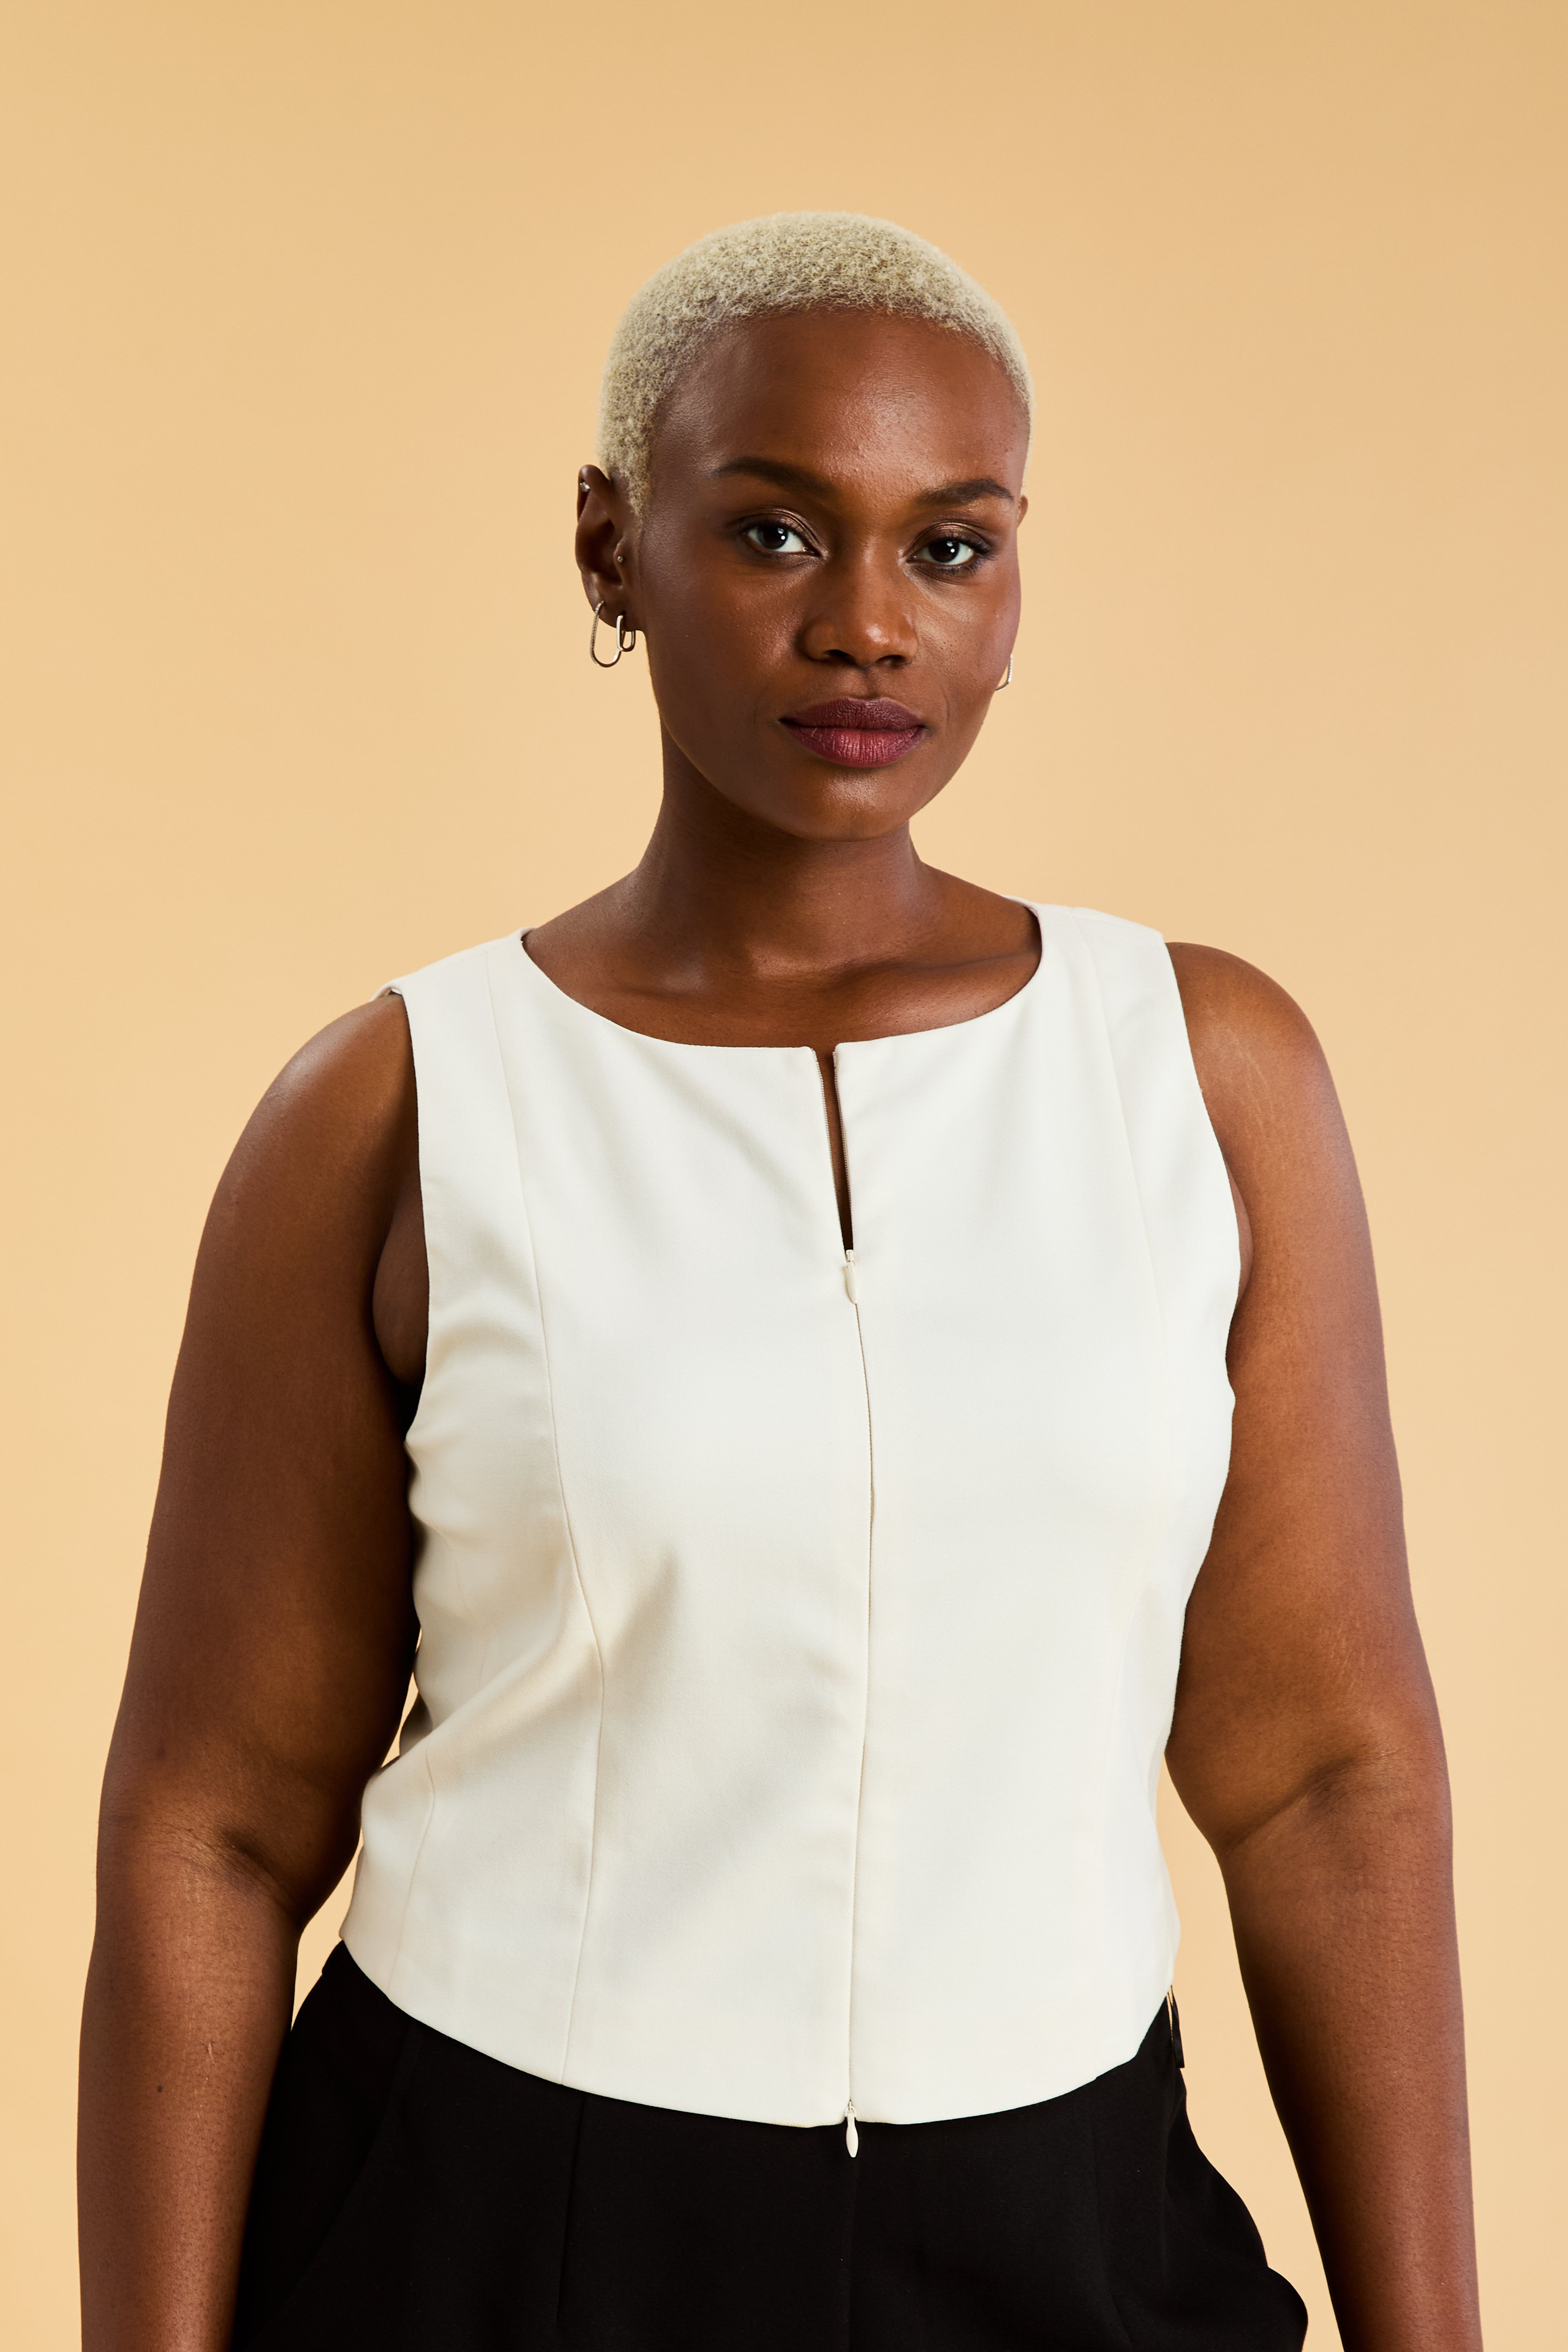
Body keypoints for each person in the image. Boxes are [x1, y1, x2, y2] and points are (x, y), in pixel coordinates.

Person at [78, 212, 1482, 2352]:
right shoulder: (401, 1107)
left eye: (951, 547)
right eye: (773, 531)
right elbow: (212, 1827)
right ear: (610, 551)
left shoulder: (1201, 1076)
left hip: (1067, 2225)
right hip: (496, 2226)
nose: (867, 627)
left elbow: (1321, 1777)